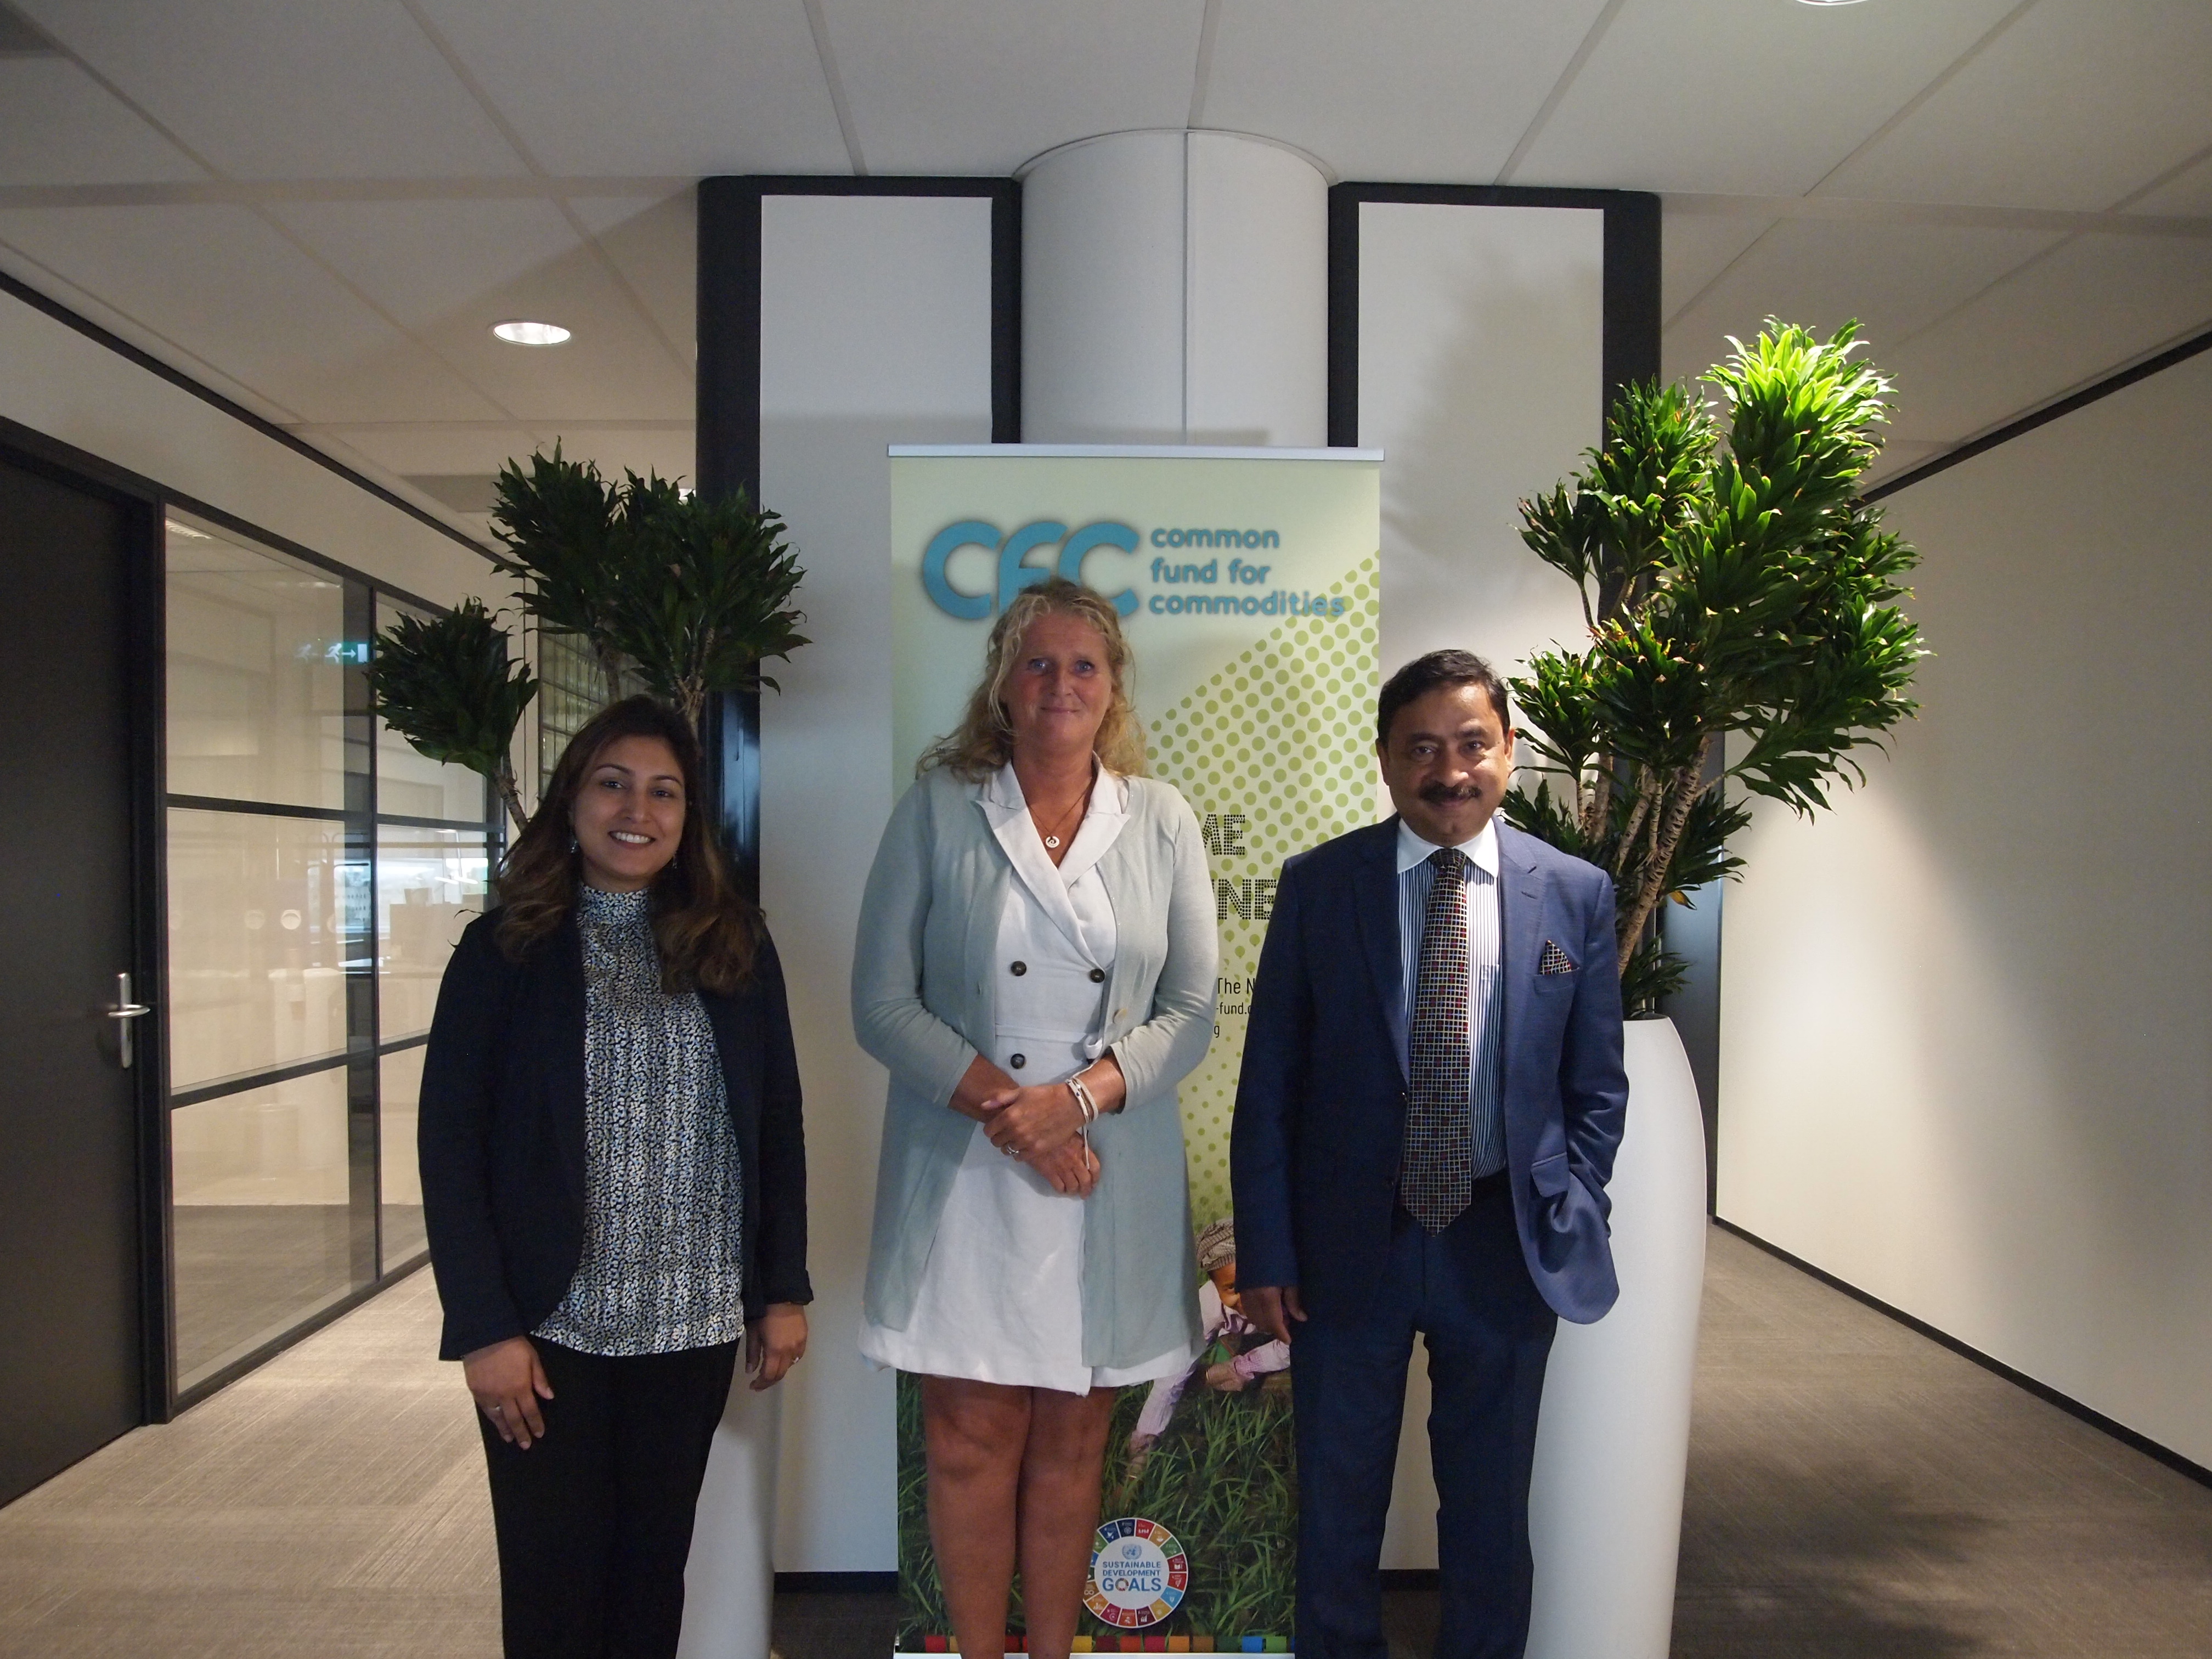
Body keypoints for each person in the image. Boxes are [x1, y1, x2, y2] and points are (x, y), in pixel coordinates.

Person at [1231, 650, 1628, 1659]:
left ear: (1506, 749)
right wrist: (1270, 1254)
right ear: (1384, 759)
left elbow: (1596, 1082)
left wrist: (1568, 1195)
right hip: (1344, 1249)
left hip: (1502, 1239)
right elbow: (1269, 1081)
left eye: (1470, 744)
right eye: (1421, 749)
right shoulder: (1322, 885)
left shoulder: (1572, 891)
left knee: (1491, 1510)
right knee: (1335, 1502)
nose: (1448, 770)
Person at [854, 577, 1217, 1659]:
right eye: (1037, 662)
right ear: (1002, 687)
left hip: (1102, 1176)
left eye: (1084, 665)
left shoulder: (1161, 819)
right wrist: (1018, 1115)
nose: (1061, 683)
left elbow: (1190, 1011)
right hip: (964, 1172)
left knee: (1073, 1442)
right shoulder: (937, 806)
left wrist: (1073, 1106)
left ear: (1113, 691)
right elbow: (881, 1002)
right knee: (967, 1442)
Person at [419, 695, 810, 1659]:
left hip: (691, 1321)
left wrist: (781, 1288)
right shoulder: (502, 949)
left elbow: (776, 1123)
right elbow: (449, 1145)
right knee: (553, 1588)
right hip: (549, 1331)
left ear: (687, 820)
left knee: (648, 1575)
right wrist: (484, 1325)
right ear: (574, 800)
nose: (637, 808)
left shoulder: (735, 945)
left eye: (663, 790)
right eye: (613, 781)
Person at [1123, 1218, 1289, 1483]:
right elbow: (1169, 1381)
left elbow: (1291, 1348)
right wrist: (1140, 1455)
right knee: (1176, 1374)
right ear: (1215, 1286)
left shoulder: (1285, 1293)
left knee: (1278, 1386)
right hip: (1234, 1333)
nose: (1245, 1296)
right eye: (1232, 1289)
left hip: (1280, 1341)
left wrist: (1242, 1367)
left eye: (1252, 1281)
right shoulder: (1208, 1307)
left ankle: (1218, 1377)